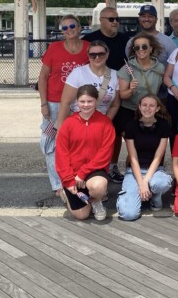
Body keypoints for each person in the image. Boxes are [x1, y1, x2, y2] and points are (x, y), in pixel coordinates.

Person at [55, 40, 123, 182]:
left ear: (107, 54)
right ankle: (71, 184)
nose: (97, 57)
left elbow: (115, 104)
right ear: (88, 55)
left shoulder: (115, 75)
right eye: (93, 55)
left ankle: (96, 188)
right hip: (78, 120)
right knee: (77, 154)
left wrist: (105, 122)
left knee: (99, 156)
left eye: (100, 54)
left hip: (100, 123)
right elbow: (66, 102)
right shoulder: (78, 73)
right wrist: (61, 128)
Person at [37, 14, 90, 198]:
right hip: (54, 103)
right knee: (52, 143)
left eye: (72, 26)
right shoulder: (54, 48)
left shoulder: (88, 49)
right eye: (64, 28)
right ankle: (58, 184)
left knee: (76, 142)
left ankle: (74, 179)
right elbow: (43, 77)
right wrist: (43, 103)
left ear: (80, 27)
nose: (69, 30)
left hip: (78, 104)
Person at [54, 84, 114, 221]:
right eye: (82, 101)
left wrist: (83, 173)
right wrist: (69, 180)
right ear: (77, 102)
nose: (86, 105)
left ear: (96, 101)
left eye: (90, 101)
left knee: (98, 187)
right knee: (82, 215)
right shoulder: (68, 124)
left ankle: (96, 200)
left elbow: (105, 154)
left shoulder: (105, 123)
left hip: (94, 171)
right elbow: (61, 155)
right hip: (73, 174)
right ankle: (66, 192)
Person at [116, 94, 174, 220]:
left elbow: (158, 157)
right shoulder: (131, 126)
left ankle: (155, 196)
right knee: (128, 215)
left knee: (160, 183)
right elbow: (133, 158)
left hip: (155, 171)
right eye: (144, 105)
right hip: (134, 171)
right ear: (139, 107)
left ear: (157, 109)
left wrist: (145, 182)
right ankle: (142, 194)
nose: (148, 108)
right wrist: (141, 182)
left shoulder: (164, 125)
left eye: (152, 105)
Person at [116, 32, 166, 145]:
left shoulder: (159, 68)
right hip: (130, 111)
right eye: (137, 47)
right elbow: (122, 95)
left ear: (151, 48)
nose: (140, 49)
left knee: (148, 144)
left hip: (149, 111)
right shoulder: (127, 68)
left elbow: (156, 92)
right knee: (134, 145)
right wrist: (131, 90)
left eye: (144, 46)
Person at [82, 6, 129, 71]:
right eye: (111, 19)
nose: (115, 22)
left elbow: (130, 62)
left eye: (117, 19)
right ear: (101, 20)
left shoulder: (126, 40)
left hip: (120, 78)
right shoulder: (88, 40)